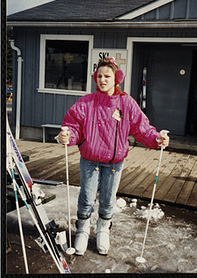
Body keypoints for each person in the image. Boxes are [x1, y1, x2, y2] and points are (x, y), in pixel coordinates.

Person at [57, 57, 169, 256]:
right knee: (87, 198)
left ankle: (103, 230)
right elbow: (74, 127)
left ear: (116, 78)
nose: (102, 80)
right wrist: (66, 136)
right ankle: (83, 229)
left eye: (107, 76)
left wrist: (156, 139)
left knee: (108, 200)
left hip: (114, 163)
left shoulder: (126, 102)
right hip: (90, 160)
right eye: (99, 76)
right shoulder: (86, 103)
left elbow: (142, 128)